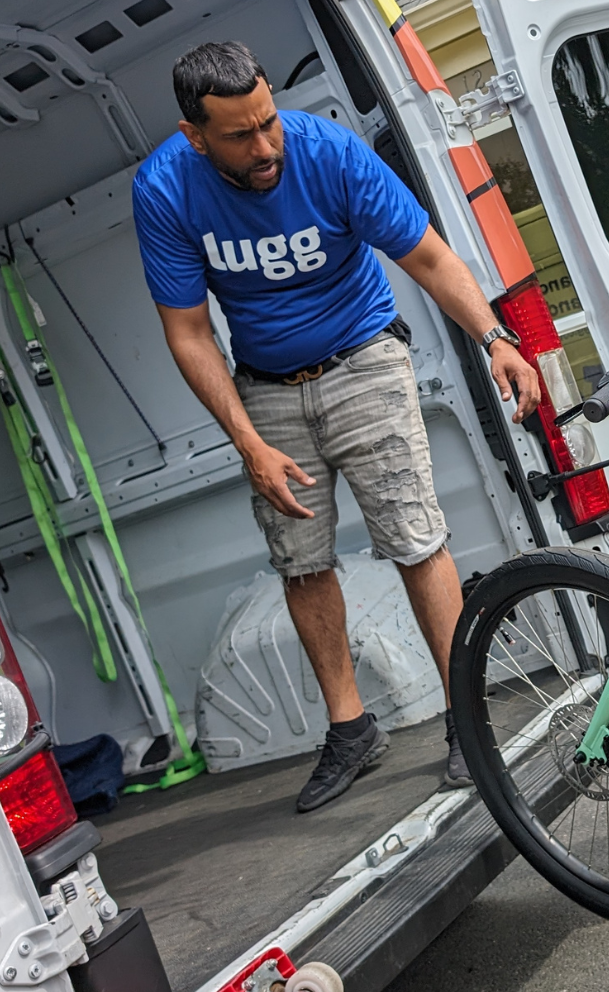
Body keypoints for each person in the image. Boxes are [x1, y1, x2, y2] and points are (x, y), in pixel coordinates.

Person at [133, 42, 542, 812]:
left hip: (363, 360)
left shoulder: (325, 153)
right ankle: (351, 729)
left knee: (416, 539)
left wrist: (496, 342)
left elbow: (426, 256)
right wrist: (247, 442)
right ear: (195, 135)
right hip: (265, 389)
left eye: (268, 123)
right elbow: (188, 331)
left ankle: (467, 719)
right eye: (241, 136)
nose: (265, 148)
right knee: (300, 560)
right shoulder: (164, 188)